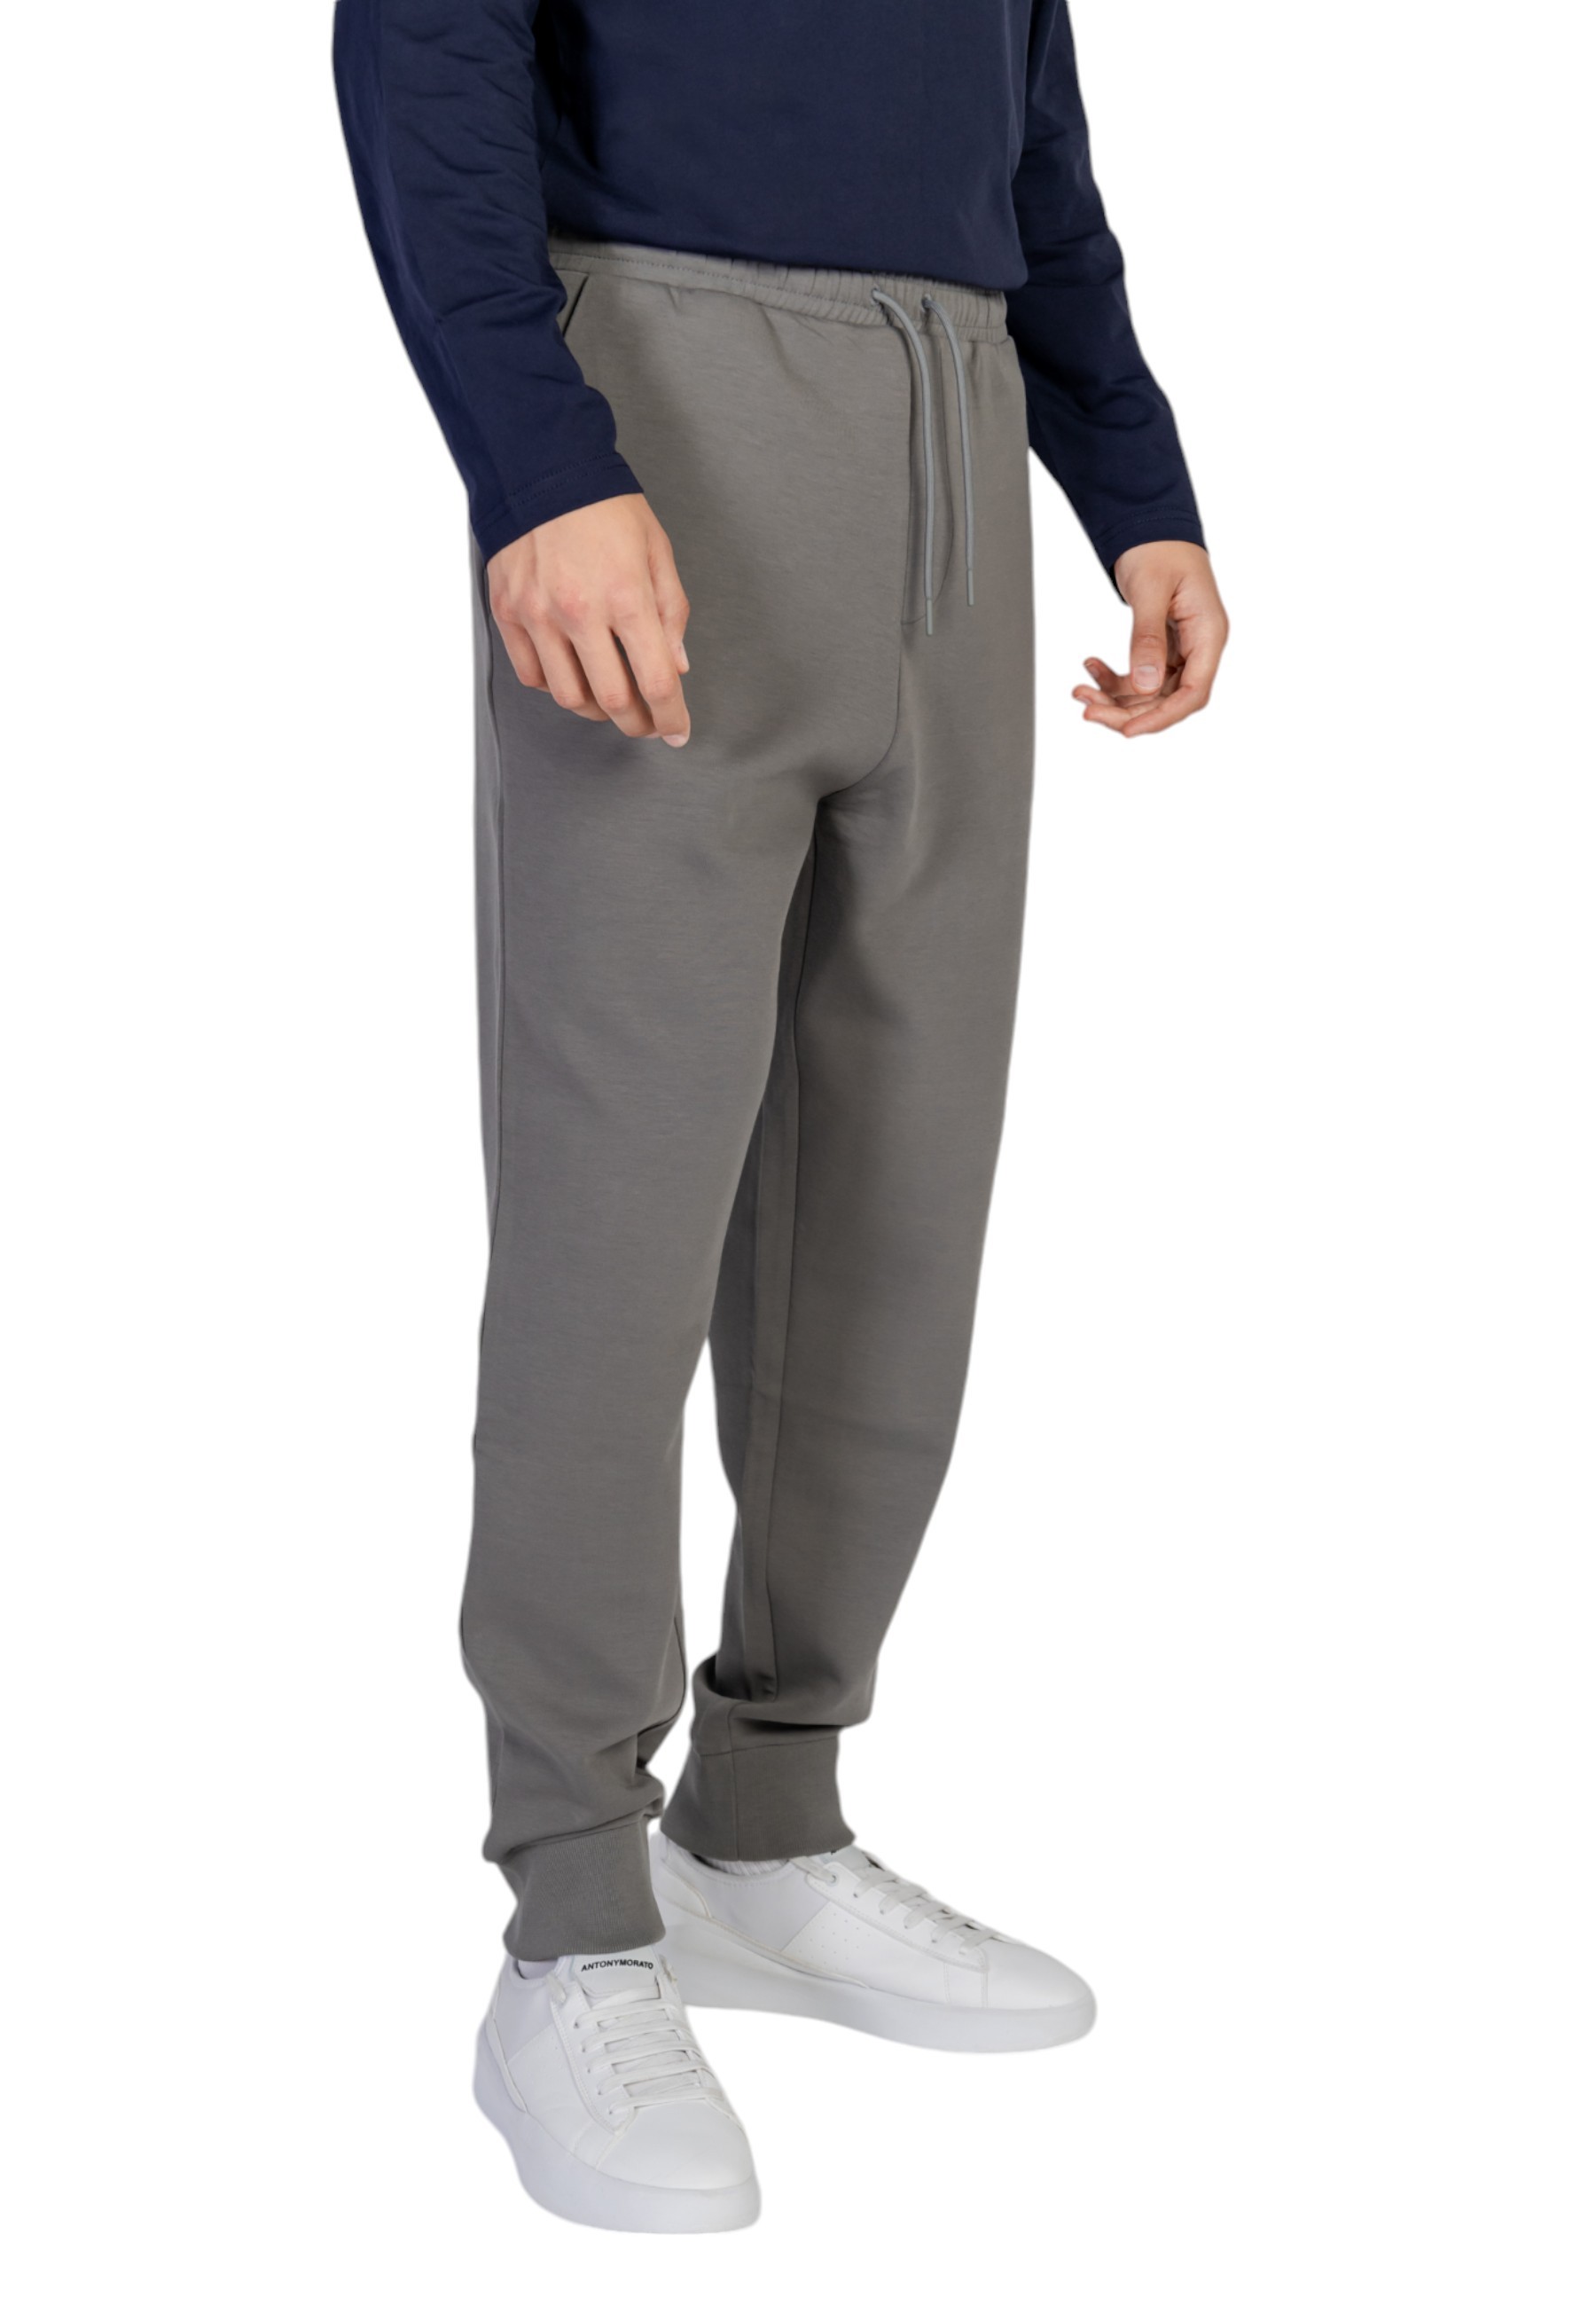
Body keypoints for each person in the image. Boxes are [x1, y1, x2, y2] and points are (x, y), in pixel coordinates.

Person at [334, 0, 1229, 2233]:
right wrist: (535, 460)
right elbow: (427, 52)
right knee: (615, 1225)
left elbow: (1031, 127)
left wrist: (1136, 484)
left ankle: (766, 1814)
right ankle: (573, 1914)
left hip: (963, 420)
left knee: (897, 1205)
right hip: (666, 405)